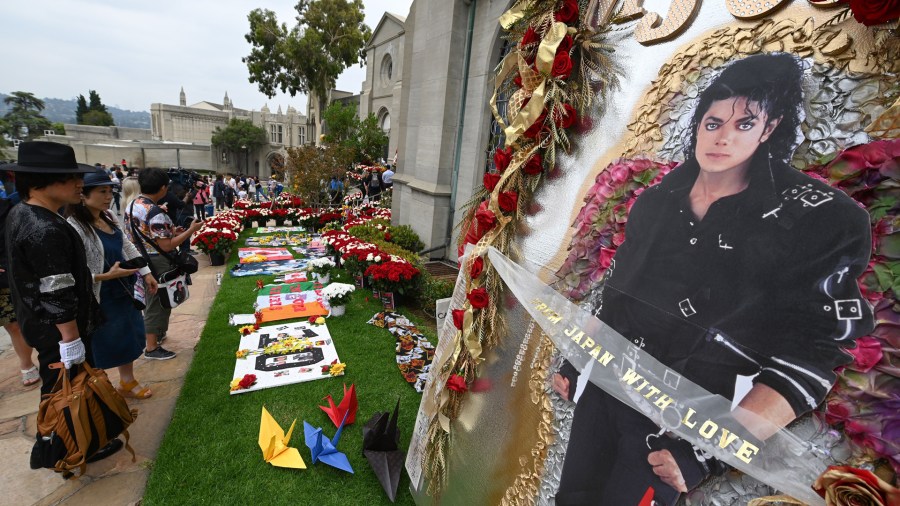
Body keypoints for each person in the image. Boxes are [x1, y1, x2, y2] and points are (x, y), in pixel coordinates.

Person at [552, 53, 874, 505]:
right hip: (606, 394)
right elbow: (619, 298)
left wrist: (706, 451)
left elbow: (812, 356)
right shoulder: (657, 202)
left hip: (680, 427)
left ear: (771, 128)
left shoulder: (820, 219)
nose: (722, 137)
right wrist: (578, 363)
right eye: (713, 121)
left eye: (744, 124)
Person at [2, 142, 126, 462]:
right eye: (70, 178)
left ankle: (73, 441)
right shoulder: (43, 226)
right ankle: (63, 448)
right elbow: (56, 287)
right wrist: (70, 338)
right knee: (65, 390)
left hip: (42, 324)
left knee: (64, 387)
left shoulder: (25, 213)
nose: (79, 184)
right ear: (41, 182)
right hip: (57, 331)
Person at [66, 168, 158, 399]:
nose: (108, 196)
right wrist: (105, 276)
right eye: (101, 192)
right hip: (100, 295)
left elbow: (127, 246)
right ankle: (100, 388)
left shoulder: (108, 216)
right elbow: (74, 272)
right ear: (83, 195)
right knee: (106, 341)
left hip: (123, 288)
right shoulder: (75, 226)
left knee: (129, 335)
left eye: (110, 191)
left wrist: (146, 272)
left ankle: (127, 381)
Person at [126, 168, 202, 360]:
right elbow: (167, 245)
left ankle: (157, 334)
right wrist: (190, 231)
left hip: (140, 257)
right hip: (157, 260)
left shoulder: (134, 204)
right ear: (162, 188)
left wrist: (172, 230)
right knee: (158, 302)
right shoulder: (155, 211)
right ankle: (151, 347)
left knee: (155, 300)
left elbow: (148, 234)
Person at [0, 191, 39, 387]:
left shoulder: (10, 206)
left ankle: (27, 362)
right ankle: (27, 363)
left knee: (17, 322)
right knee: (11, 324)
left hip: (13, 271)